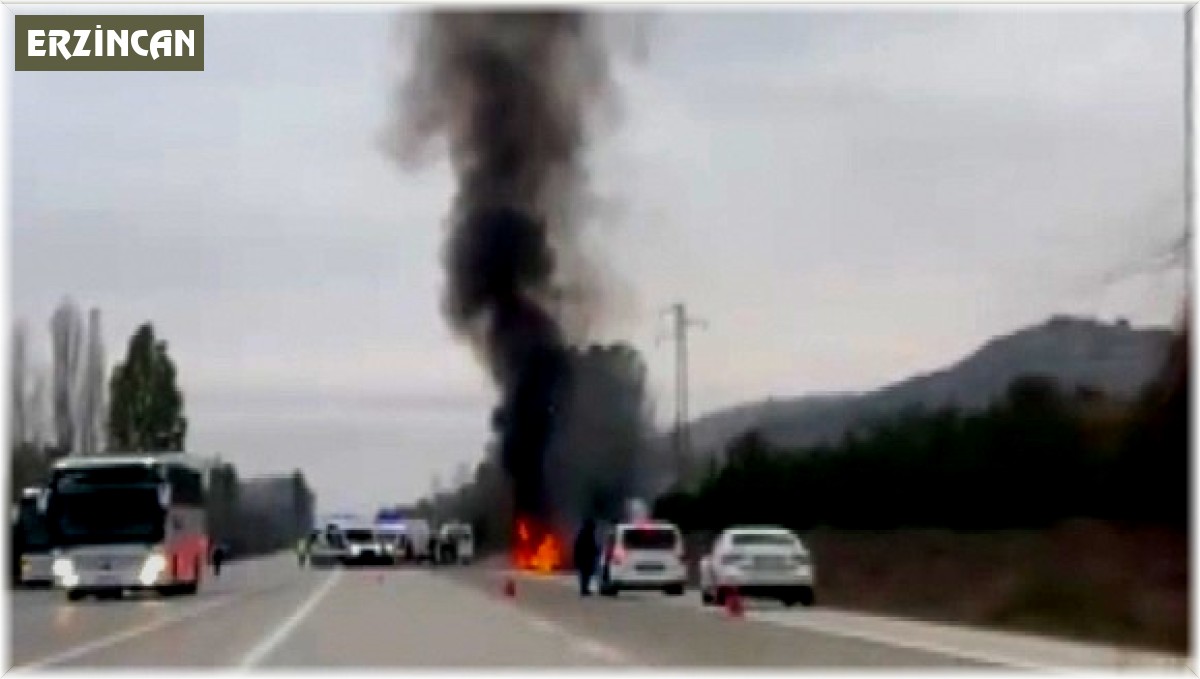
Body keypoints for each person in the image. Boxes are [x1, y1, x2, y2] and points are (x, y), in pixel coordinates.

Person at [573, 518, 599, 597]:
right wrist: (595, 551)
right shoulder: (586, 535)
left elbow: (577, 547)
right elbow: (590, 546)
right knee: (586, 574)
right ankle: (584, 589)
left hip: (585, 558)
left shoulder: (584, 534)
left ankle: (584, 589)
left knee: (586, 574)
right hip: (585, 558)